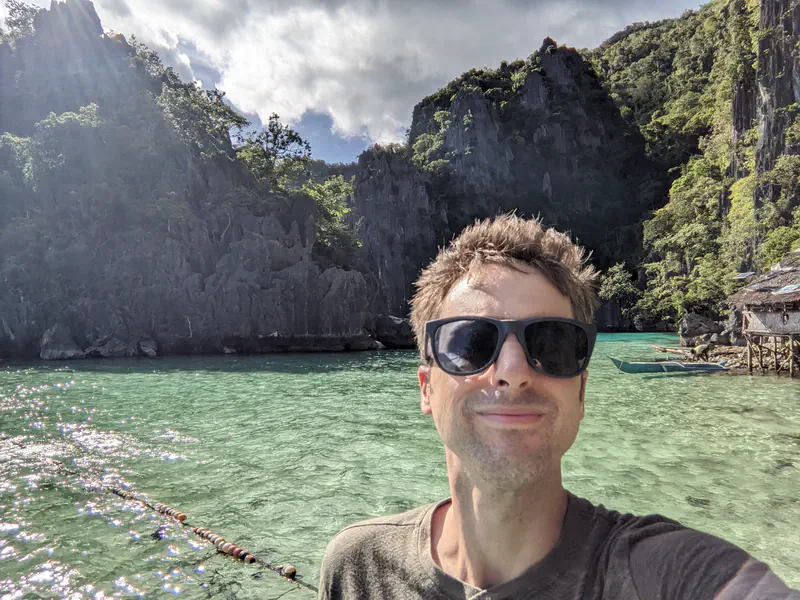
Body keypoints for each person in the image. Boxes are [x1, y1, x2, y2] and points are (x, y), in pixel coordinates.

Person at [317, 215, 797, 599]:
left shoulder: (663, 575)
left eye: (552, 343)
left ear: (581, 391)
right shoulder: (358, 570)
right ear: (426, 387)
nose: (512, 369)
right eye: (470, 342)